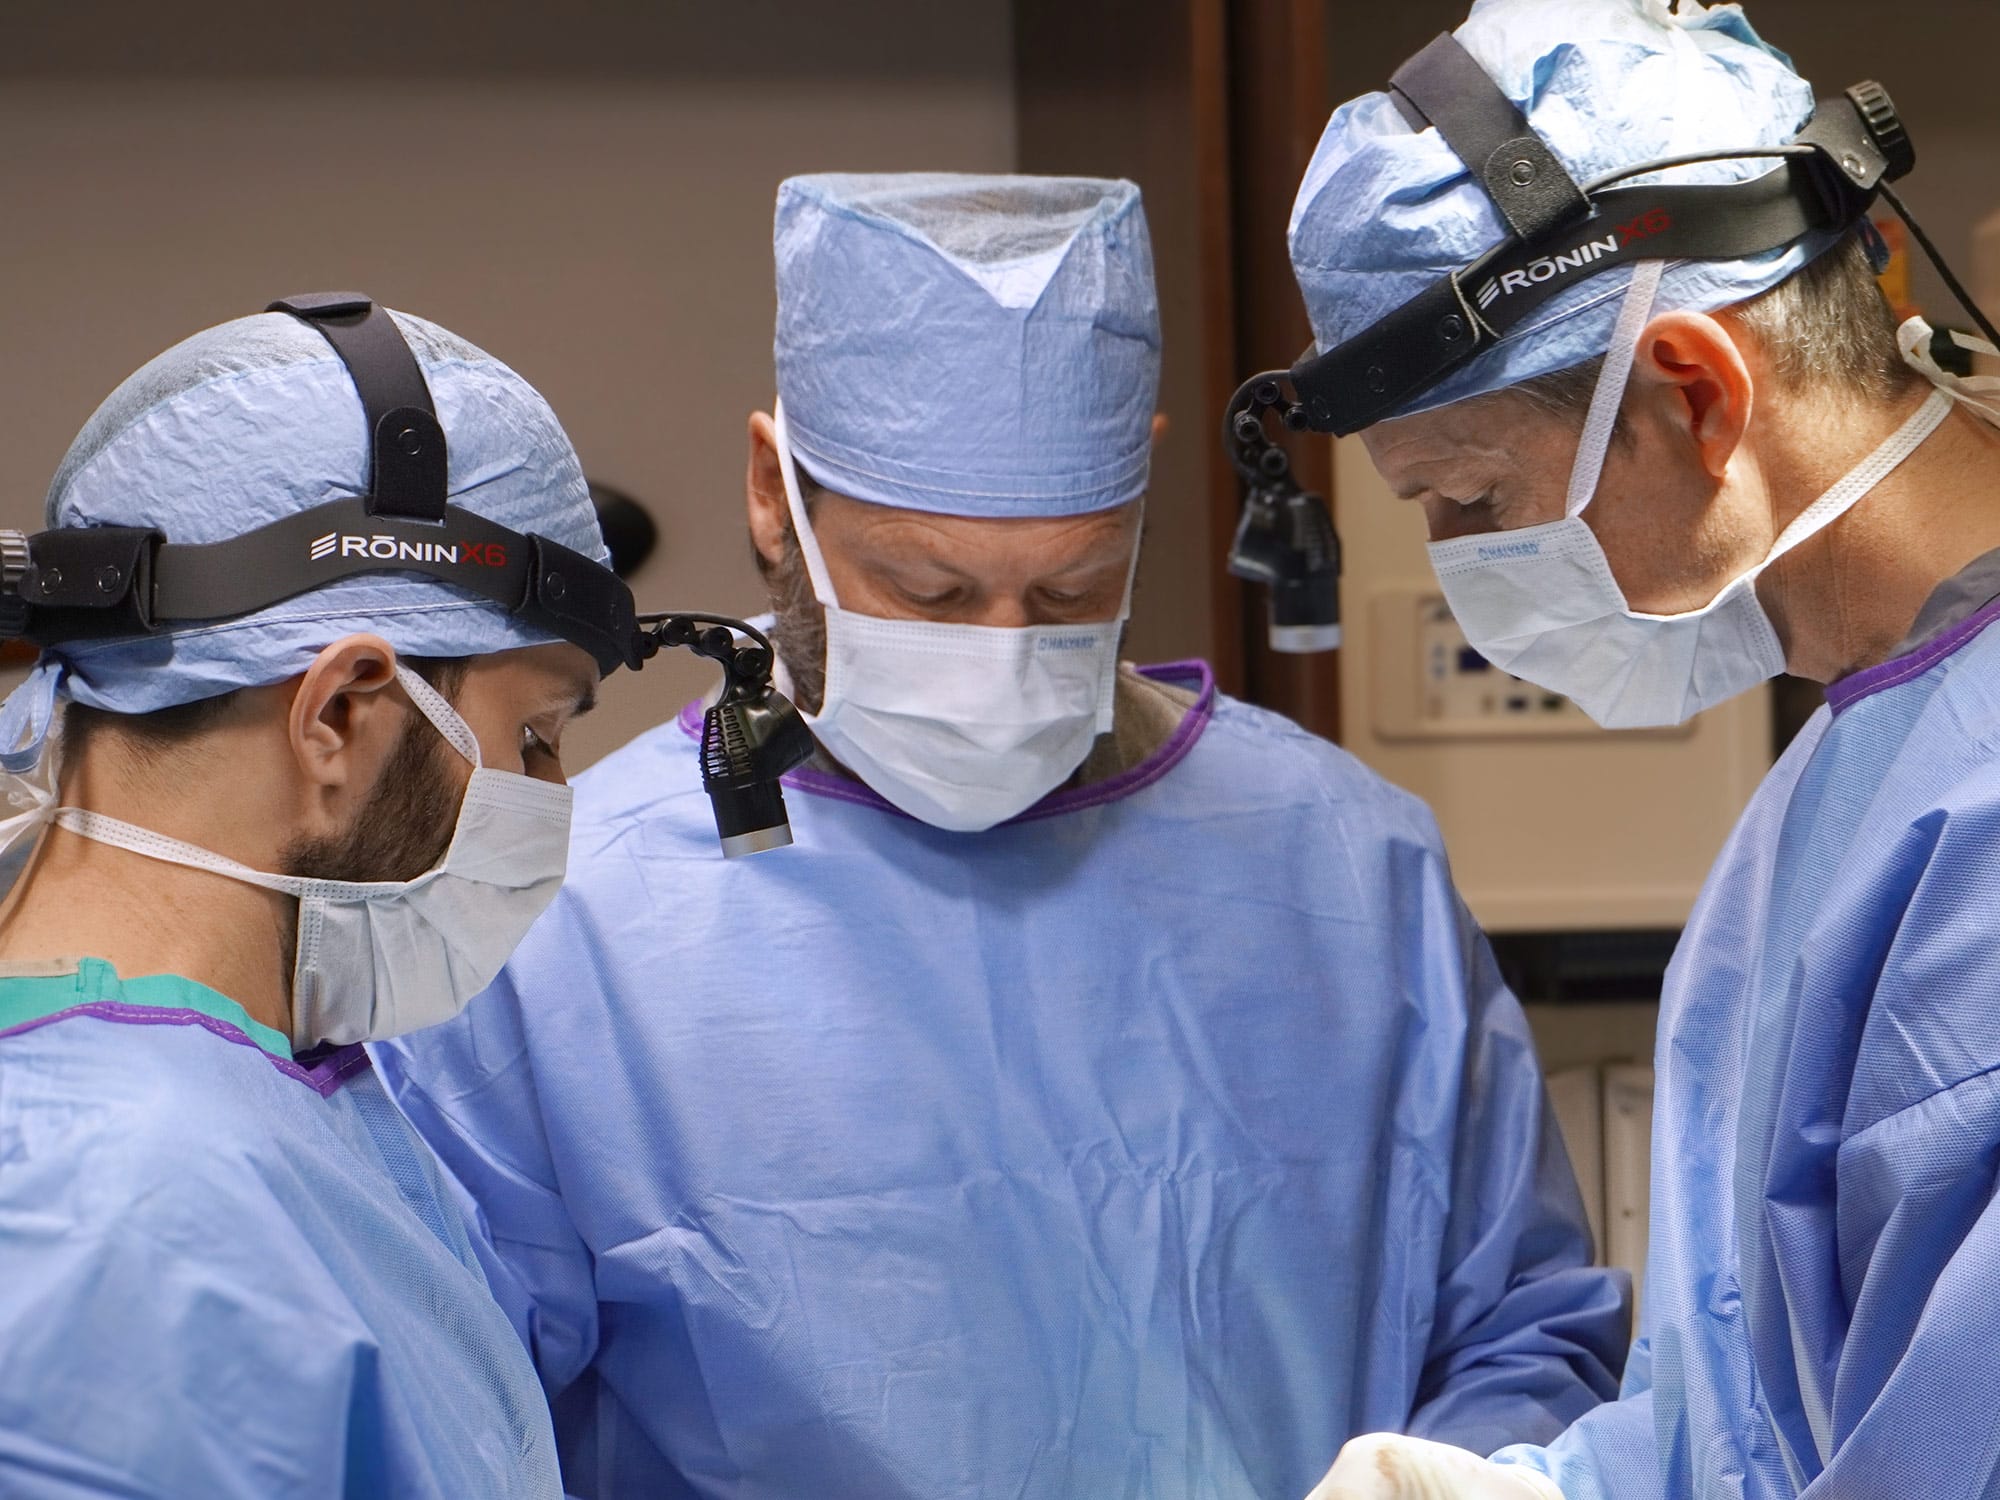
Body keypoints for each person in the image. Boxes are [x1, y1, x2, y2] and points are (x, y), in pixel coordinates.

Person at [376, 172, 1628, 1500]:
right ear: (770, 495)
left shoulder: (1343, 869)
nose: (1000, 651)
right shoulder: (565, 921)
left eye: (1073, 589)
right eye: (928, 588)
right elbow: (453, 1428)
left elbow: (1522, 1332)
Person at [1280, 2, 2000, 1498]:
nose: (1469, 572)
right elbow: (1760, 1410)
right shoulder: (1844, 780)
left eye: (1472, 499)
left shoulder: (1973, 820)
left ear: (1694, 392)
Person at [0, 299, 622, 1496]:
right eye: (537, 736)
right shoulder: (113, 1208)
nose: (548, 792)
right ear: (340, 712)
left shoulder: (272, 1109)